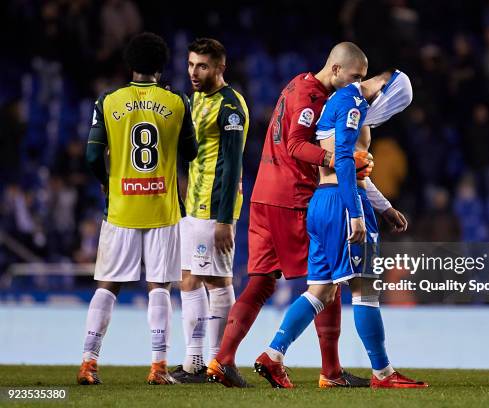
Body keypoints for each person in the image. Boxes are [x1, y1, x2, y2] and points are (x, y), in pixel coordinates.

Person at [207, 42, 375, 388]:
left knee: (261, 281)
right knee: (328, 281)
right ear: (336, 70)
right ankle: (330, 372)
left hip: (264, 196)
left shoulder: (297, 83)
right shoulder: (312, 98)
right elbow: (296, 144)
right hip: (291, 198)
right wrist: (336, 159)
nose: (357, 86)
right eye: (355, 78)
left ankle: (222, 360)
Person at [253, 70, 428, 389]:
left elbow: (348, 165)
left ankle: (272, 355)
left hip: (322, 202)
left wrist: (385, 207)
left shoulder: (336, 104)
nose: (388, 113)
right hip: (344, 204)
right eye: (392, 105)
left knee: (320, 290)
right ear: (383, 90)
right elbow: (346, 160)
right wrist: (357, 212)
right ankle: (383, 374)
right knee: (365, 291)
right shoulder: (354, 104)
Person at [76, 32, 197, 385]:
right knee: (160, 286)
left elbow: (92, 155)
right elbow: (189, 153)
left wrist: (107, 180)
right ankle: (158, 367)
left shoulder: (108, 101)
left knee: (107, 285)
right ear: (162, 65)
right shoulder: (177, 102)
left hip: (122, 207)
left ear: (129, 63)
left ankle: (88, 363)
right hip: (162, 208)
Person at [170, 38, 249, 383]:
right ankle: (209, 362)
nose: (194, 72)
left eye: (202, 66)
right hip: (194, 204)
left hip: (213, 207)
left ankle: (208, 362)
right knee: (196, 280)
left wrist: (223, 220)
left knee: (207, 282)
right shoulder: (195, 99)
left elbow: (232, 166)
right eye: (190, 65)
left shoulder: (230, 107)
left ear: (220, 67)